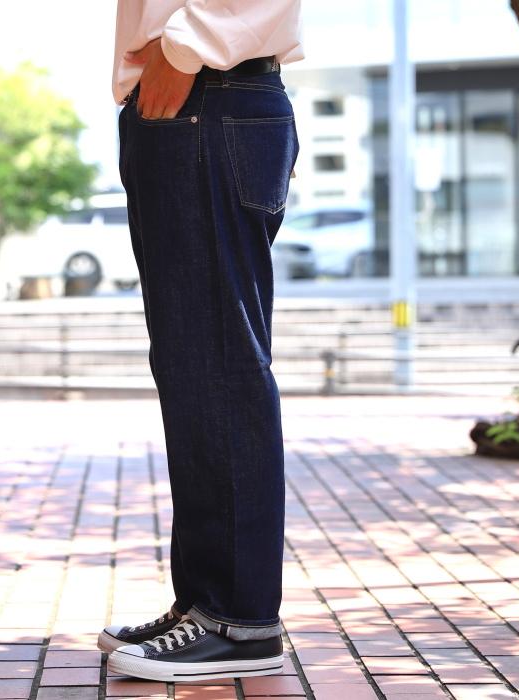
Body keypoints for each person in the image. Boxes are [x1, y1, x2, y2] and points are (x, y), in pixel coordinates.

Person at [97, 0, 303, 683]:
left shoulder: (194, 64)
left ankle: (239, 622)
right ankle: (206, 604)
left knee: (218, 366)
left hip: (208, 92)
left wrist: (181, 49)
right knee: (194, 367)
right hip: (191, 100)